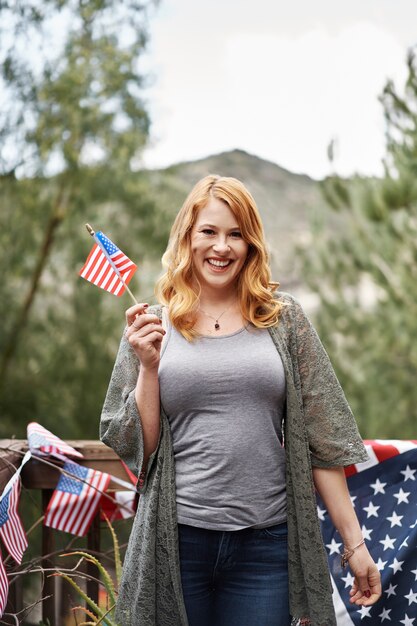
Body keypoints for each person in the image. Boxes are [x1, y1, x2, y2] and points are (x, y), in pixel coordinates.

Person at [100, 175, 381, 626]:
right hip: (177, 543)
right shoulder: (151, 325)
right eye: (209, 232)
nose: (222, 246)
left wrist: (355, 545)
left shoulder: (282, 318)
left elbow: (323, 440)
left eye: (236, 234)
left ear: (251, 245)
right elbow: (142, 450)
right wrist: (149, 367)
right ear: (188, 236)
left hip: (265, 547)